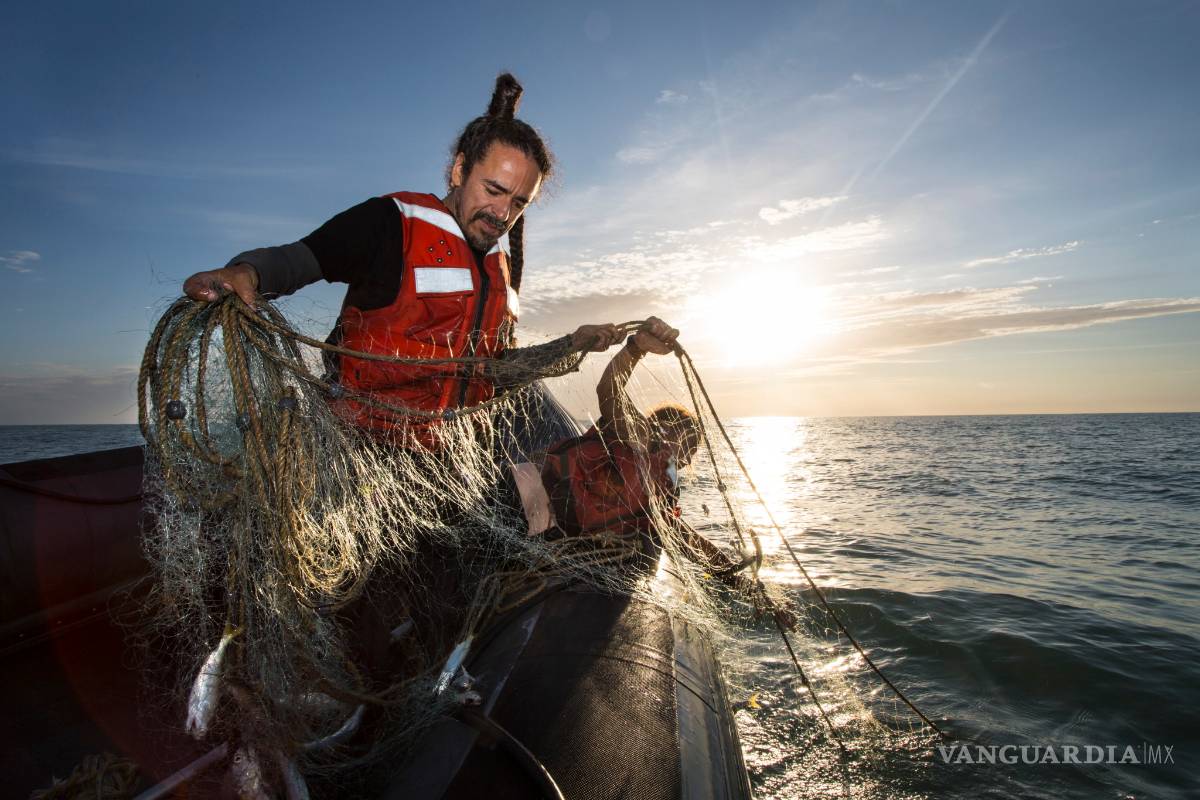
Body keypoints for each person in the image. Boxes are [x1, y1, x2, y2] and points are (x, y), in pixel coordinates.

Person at [181, 73, 620, 444]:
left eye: (519, 202)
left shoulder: (499, 271)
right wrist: (246, 271)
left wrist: (574, 342)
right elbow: (303, 258)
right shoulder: (392, 222)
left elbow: (497, 371)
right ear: (458, 170)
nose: (503, 214)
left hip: (451, 452)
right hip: (363, 444)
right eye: (493, 190)